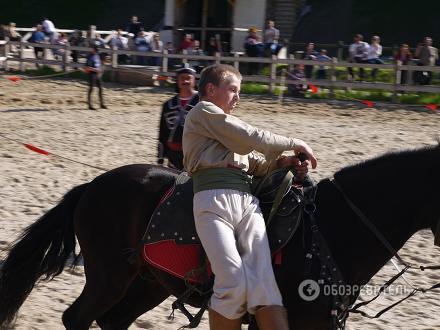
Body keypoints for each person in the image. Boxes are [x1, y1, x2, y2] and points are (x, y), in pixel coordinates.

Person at [182, 64, 317, 329]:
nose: (238, 97)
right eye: (232, 89)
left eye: (239, 91)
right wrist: (294, 142)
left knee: (264, 283)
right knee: (232, 281)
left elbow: (255, 163)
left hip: (247, 203)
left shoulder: (226, 129)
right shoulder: (203, 111)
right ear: (210, 89)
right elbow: (250, 135)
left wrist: (284, 162)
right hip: (212, 201)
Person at [158, 67, 199, 170]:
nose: (185, 81)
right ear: (177, 81)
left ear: (194, 80)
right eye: (182, 78)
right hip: (174, 155)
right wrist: (160, 157)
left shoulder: (202, 102)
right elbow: (162, 132)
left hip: (195, 153)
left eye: (188, 78)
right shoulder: (168, 105)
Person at [85, 45, 107, 110]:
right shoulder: (90, 57)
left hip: (97, 74)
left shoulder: (97, 55)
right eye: (96, 49)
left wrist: (100, 69)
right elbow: (87, 67)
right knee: (91, 89)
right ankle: (90, 105)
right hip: (92, 74)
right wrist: (95, 70)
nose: (97, 51)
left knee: (100, 88)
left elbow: (100, 64)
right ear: (93, 49)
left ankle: (101, 104)